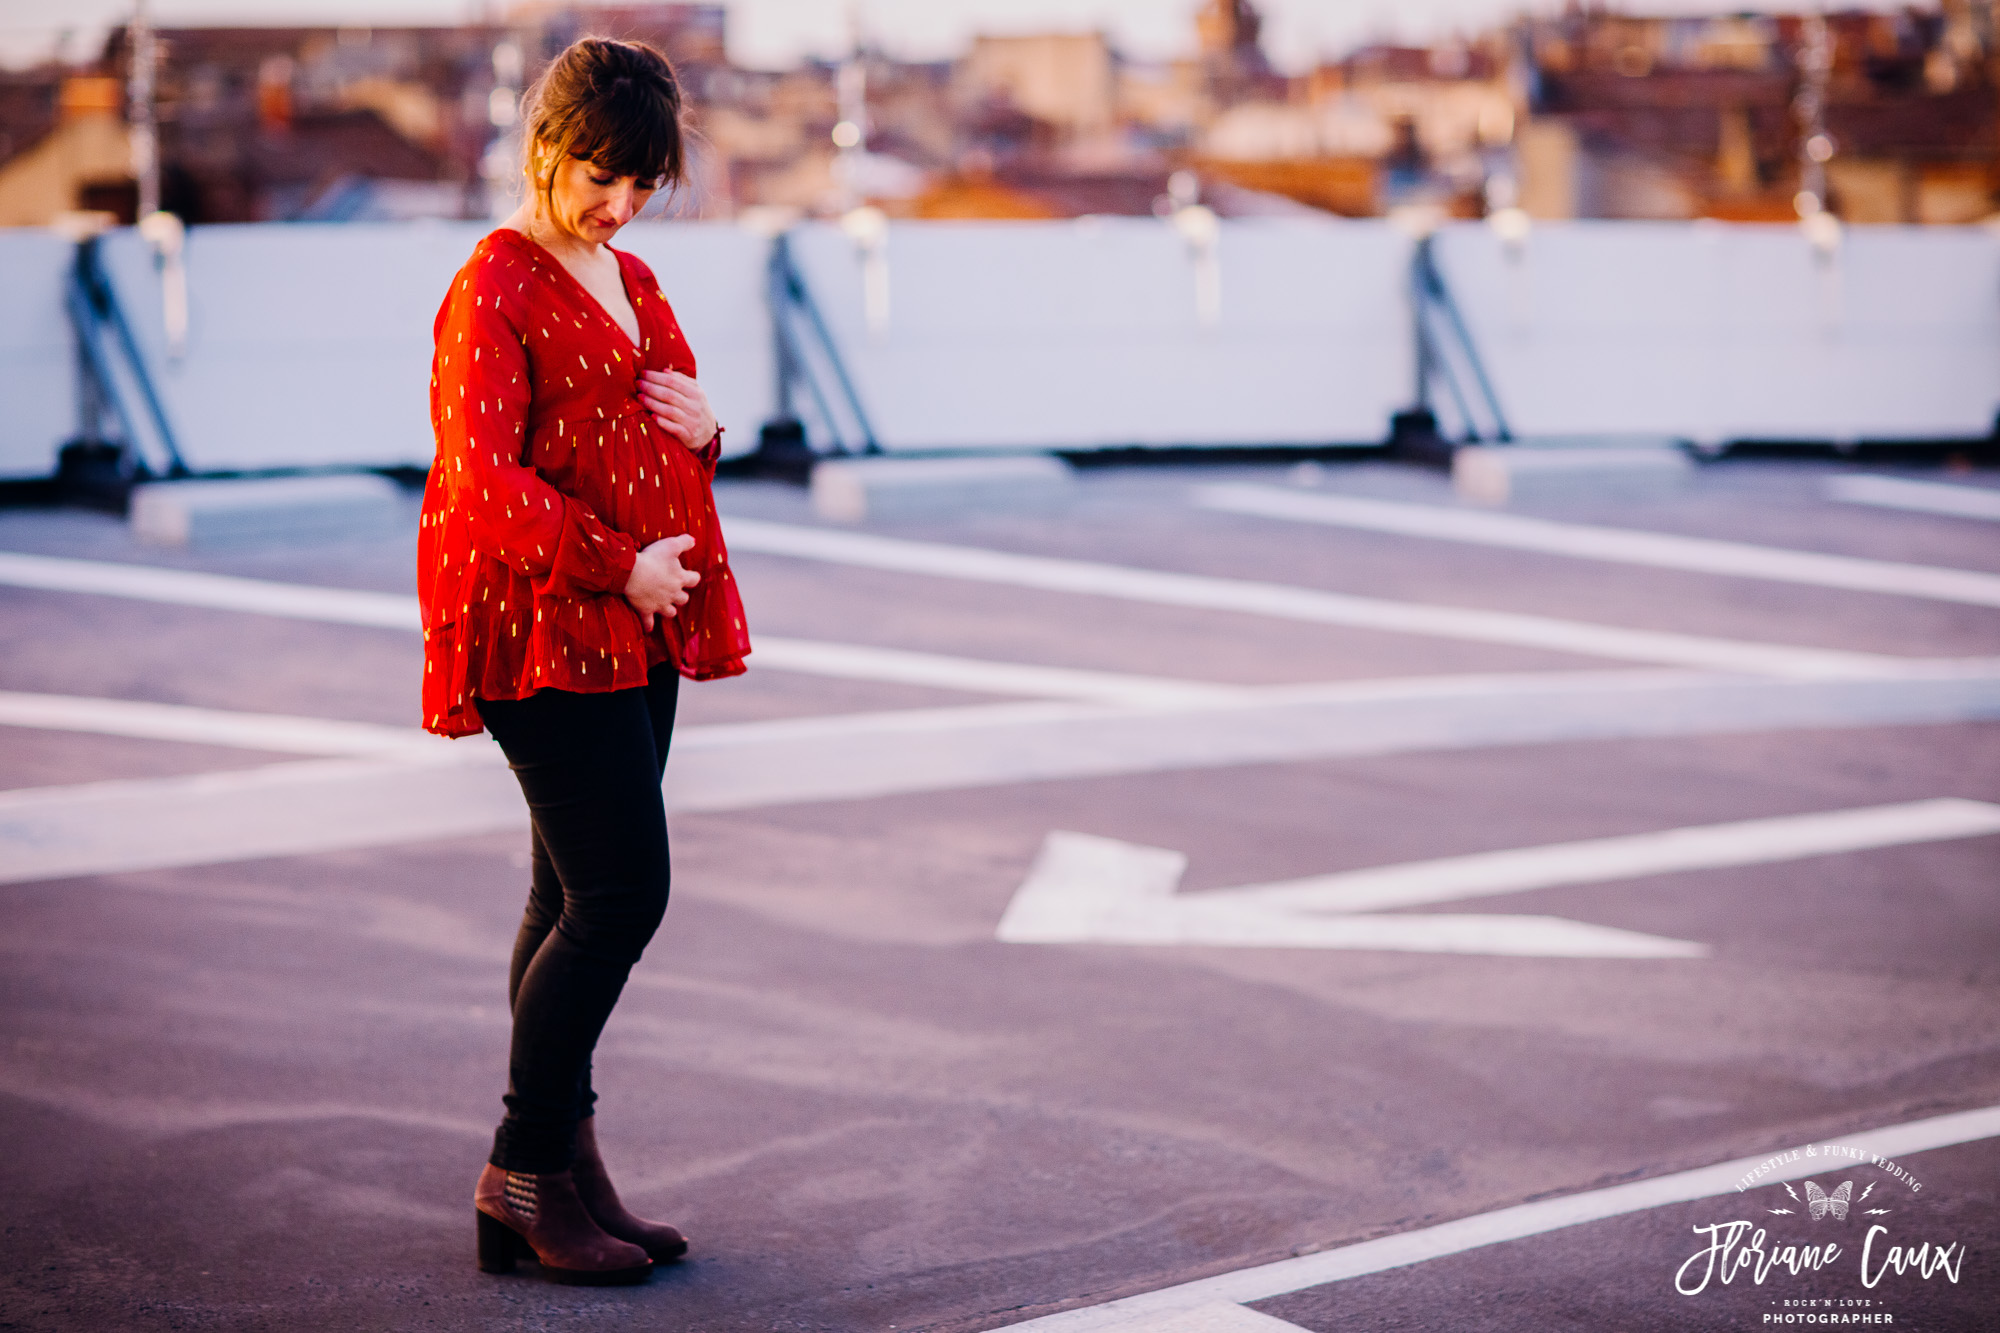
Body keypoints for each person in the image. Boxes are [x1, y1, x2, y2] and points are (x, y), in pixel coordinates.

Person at [417, 35, 751, 1286]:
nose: (618, 204)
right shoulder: (493, 285)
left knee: (567, 893)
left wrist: (713, 429)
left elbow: (670, 416)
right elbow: (477, 481)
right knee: (621, 893)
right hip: (541, 620)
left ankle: (564, 1163)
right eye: (601, 176)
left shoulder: (630, 273)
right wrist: (618, 564)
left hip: (637, 616)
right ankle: (519, 1170)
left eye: (641, 184)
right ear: (546, 146)